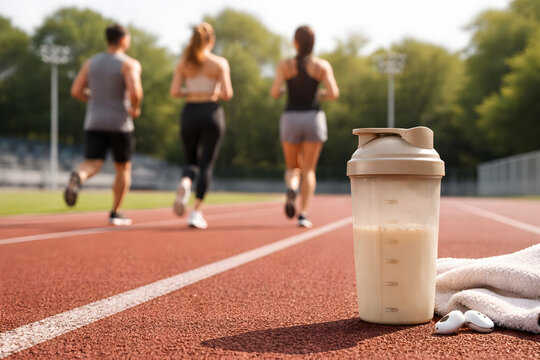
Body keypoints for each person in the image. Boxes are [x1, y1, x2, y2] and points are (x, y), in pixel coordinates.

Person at [66, 24, 143, 226]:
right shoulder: (129, 63)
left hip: (94, 121)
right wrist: (135, 107)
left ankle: (79, 177)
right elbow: (135, 92)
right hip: (120, 123)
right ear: (123, 40)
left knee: (93, 163)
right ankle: (116, 212)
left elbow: (76, 91)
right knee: (123, 168)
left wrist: (94, 99)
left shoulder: (90, 63)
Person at [270, 25, 339, 228]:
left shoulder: (285, 65)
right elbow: (334, 93)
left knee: (293, 167)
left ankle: (292, 187)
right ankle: (304, 214)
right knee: (309, 170)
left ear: (295, 42)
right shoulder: (321, 66)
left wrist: (283, 90)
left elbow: (274, 92)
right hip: (313, 118)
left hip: (291, 118)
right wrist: (319, 95)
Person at [169, 22, 233, 229]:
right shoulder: (219, 63)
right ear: (211, 40)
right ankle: (196, 211)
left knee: (190, 161)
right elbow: (227, 94)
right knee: (206, 164)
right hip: (211, 113)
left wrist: (192, 91)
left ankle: (185, 183)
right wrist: (210, 91)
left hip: (190, 112)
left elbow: (175, 92)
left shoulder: (184, 62)